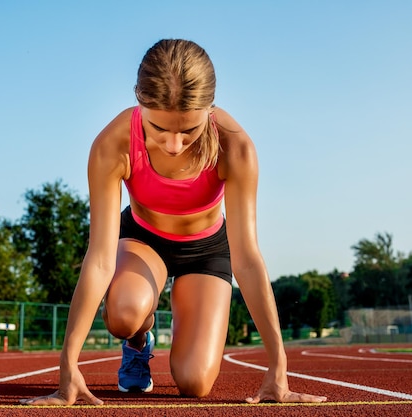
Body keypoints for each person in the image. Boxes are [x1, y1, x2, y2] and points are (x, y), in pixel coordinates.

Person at [22, 39, 327, 405]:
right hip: (143, 240)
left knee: (195, 383)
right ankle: (138, 342)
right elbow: (100, 258)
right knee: (122, 314)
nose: (174, 145)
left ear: (210, 108)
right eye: (159, 128)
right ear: (139, 99)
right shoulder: (112, 145)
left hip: (207, 250)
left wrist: (278, 368)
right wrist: (67, 365)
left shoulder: (236, 147)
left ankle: (177, 329)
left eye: (189, 131)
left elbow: (247, 259)